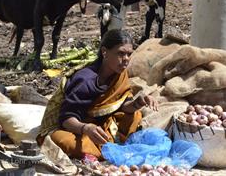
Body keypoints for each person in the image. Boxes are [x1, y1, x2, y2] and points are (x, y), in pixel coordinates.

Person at [37, 29, 158, 160]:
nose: (126, 59)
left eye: (129, 54)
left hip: (102, 125)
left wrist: (137, 103)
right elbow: (66, 119)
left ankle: (107, 148)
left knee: (135, 115)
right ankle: (102, 151)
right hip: (78, 128)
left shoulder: (120, 74)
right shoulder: (85, 81)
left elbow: (122, 105)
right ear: (104, 52)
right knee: (61, 140)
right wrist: (86, 128)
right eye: (121, 53)